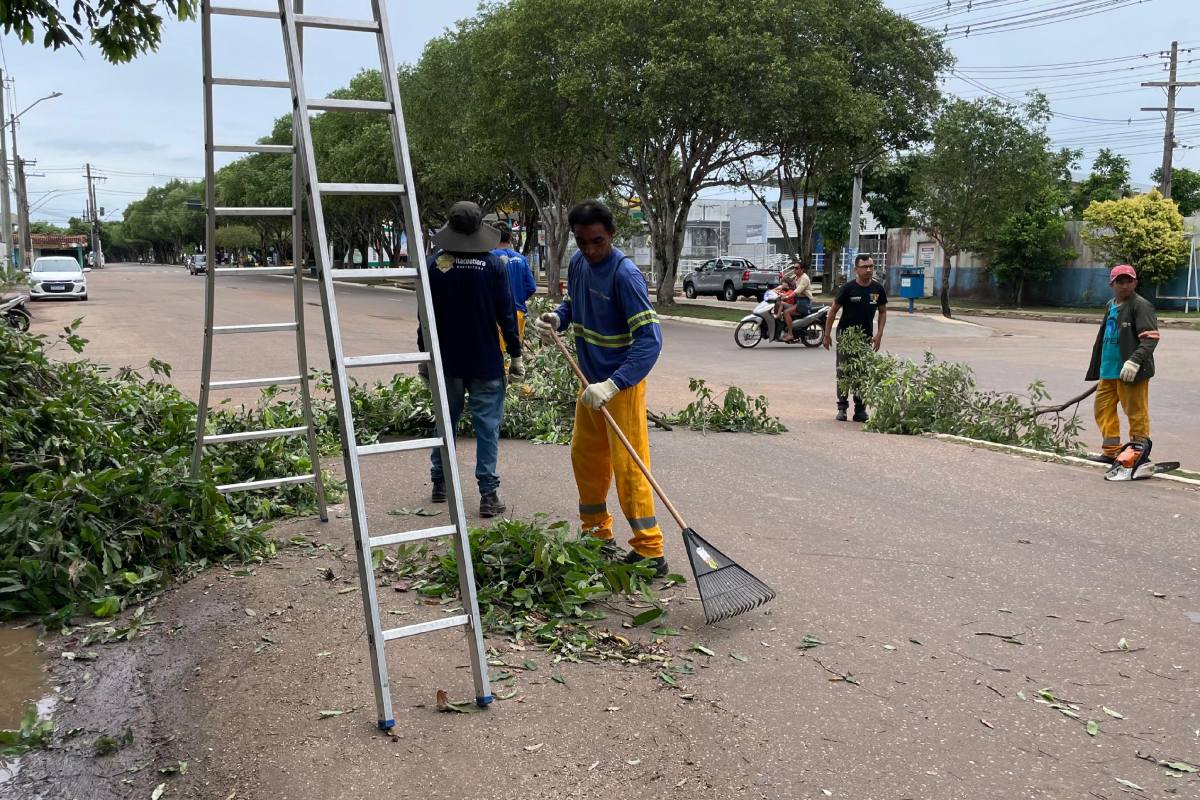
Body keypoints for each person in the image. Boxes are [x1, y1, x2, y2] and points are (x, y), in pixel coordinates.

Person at [533, 200, 668, 576]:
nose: (590, 250)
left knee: (629, 468)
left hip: (619, 388)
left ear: (611, 235)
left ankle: (650, 550)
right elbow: (573, 304)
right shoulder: (578, 264)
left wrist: (613, 384)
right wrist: (557, 319)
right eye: (582, 242)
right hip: (589, 383)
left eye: (598, 242)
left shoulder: (625, 276)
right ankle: (596, 535)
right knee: (586, 459)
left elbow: (650, 340)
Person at [418, 200, 523, 517]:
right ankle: (488, 495)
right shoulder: (494, 265)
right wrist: (516, 355)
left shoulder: (434, 266)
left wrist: (424, 354)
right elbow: (507, 314)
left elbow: (425, 316)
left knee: (445, 421)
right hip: (485, 361)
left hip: (446, 360)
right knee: (487, 428)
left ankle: (439, 483)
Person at [1085, 264, 1160, 464]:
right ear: (1112, 284)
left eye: (1129, 281)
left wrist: (1134, 361)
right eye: (1120, 281)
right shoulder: (1111, 304)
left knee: (1136, 412)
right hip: (1109, 370)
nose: (1125, 285)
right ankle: (1112, 452)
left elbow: (1151, 338)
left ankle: (1138, 455)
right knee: (1103, 409)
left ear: (1135, 282)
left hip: (1130, 372)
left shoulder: (1140, 305)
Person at [822, 254, 887, 422]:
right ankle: (842, 408)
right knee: (844, 372)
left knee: (862, 373)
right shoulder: (847, 288)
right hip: (846, 337)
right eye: (865, 267)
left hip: (865, 338)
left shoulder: (878, 289)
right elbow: (833, 311)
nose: (869, 270)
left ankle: (860, 410)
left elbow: (882, 312)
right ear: (856, 269)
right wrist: (827, 335)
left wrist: (879, 334)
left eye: (871, 266)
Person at [492, 223, 537, 348]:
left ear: (493, 236)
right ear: (510, 237)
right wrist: (519, 297)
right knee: (515, 352)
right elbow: (531, 287)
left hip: (497, 315)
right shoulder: (521, 259)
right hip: (519, 313)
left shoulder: (490, 258)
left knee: (500, 353)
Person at [780, 262, 814, 343]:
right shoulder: (796, 276)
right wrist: (776, 290)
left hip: (804, 302)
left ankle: (790, 334)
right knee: (780, 304)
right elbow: (787, 283)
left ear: (802, 269)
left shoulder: (804, 278)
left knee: (786, 312)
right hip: (797, 300)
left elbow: (797, 291)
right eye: (794, 268)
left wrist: (787, 297)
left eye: (796, 268)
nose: (794, 270)